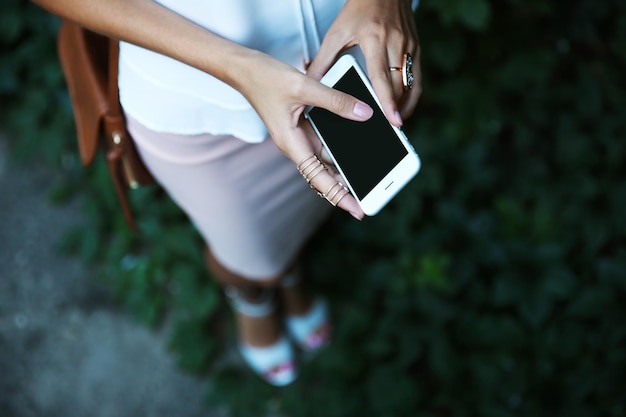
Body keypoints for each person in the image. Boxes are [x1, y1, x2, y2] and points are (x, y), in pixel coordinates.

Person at [33, 0, 422, 386]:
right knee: (246, 250)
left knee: (312, 215)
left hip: (357, 59)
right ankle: (252, 297)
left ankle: (287, 271)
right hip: (203, 100)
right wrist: (237, 67)